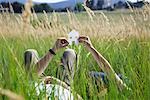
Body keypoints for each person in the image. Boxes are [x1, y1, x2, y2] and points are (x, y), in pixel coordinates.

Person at [24, 36, 128, 99]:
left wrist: (56, 81)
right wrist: (90, 48)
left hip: (36, 86)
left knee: (30, 54)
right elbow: (110, 73)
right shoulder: (127, 92)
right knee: (70, 53)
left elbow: (32, 77)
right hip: (64, 87)